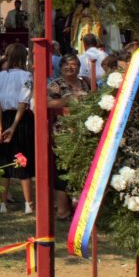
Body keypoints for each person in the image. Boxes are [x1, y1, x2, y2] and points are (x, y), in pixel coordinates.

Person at [0, 43, 34, 213]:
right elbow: (23, 102)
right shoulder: (26, 75)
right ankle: (28, 203)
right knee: (23, 158)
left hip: (4, 117)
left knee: (4, 160)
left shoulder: (0, 76)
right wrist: (14, 126)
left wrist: (0, 127)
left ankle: (2, 204)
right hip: (20, 120)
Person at [46, 53, 89, 220]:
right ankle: (62, 210)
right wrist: (68, 101)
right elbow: (47, 102)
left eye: (74, 64)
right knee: (63, 170)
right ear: (61, 67)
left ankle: (78, 208)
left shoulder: (85, 82)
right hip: (63, 132)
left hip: (84, 132)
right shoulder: (56, 85)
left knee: (80, 169)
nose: (70, 67)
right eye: (66, 64)